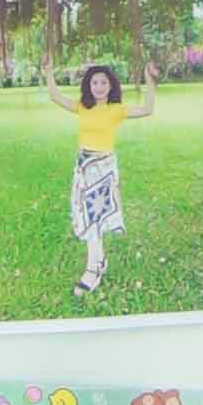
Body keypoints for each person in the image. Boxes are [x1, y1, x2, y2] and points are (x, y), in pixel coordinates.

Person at [69, 53, 128, 300]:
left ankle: (93, 269)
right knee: (87, 214)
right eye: (95, 82)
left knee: (96, 216)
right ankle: (99, 260)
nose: (99, 87)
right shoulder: (82, 107)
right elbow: (54, 97)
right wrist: (48, 73)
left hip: (104, 169)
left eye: (104, 82)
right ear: (89, 86)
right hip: (84, 167)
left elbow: (148, 109)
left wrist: (150, 80)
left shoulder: (117, 110)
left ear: (111, 85)